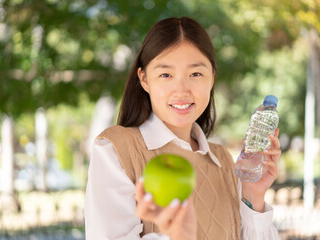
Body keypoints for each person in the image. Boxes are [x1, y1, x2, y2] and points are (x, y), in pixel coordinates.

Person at [85, 16, 281, 240]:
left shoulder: (224, 161)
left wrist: (253, 195)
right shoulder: (116, 150)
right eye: (165, 74)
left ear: (212, 78)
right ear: (144, 79)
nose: (181, 90)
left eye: (195, 74)